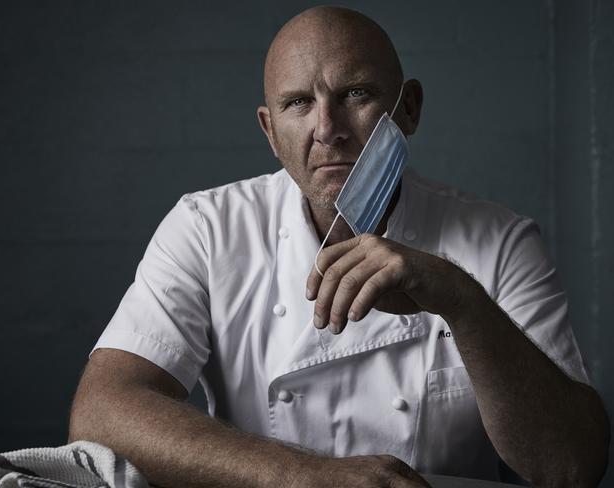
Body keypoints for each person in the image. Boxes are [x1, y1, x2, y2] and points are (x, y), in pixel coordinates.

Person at [68, 6, 609, 488]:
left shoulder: (500, 241)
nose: (327, 129)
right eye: (298, 103)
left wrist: (462, 301)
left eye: (356, 94)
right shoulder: (208, 228)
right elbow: (102, 412)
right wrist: (309, 476)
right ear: (270, 131)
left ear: (410, 108)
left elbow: (572, 468)